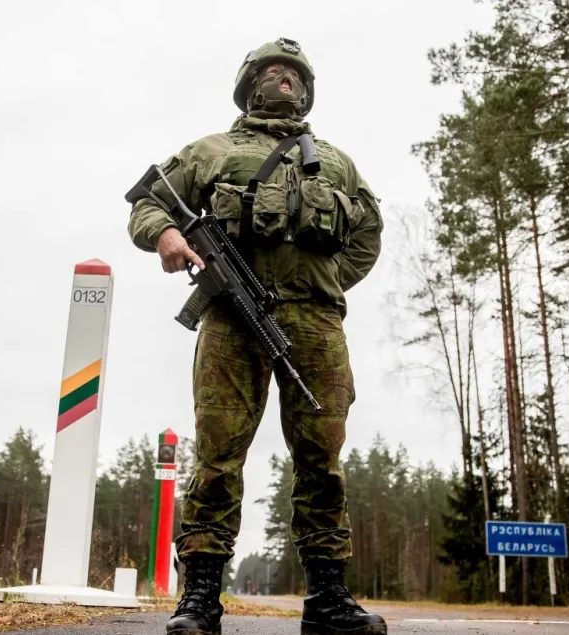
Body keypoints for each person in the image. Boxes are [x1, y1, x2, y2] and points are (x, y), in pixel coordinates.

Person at [126, 37, 386, 635]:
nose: (283, 78)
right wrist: (166, 236)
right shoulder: (211, 150)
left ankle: (328, 600)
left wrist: (321, 281)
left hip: (316, 324)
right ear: (249, 84)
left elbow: (367, 233)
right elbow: (147, 203)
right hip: (230, 321)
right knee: (218, 457)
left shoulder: (338, 163)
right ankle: (200, 600)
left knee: (322, 460)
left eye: (293, 72)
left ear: (307, 89)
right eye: (272, 70)